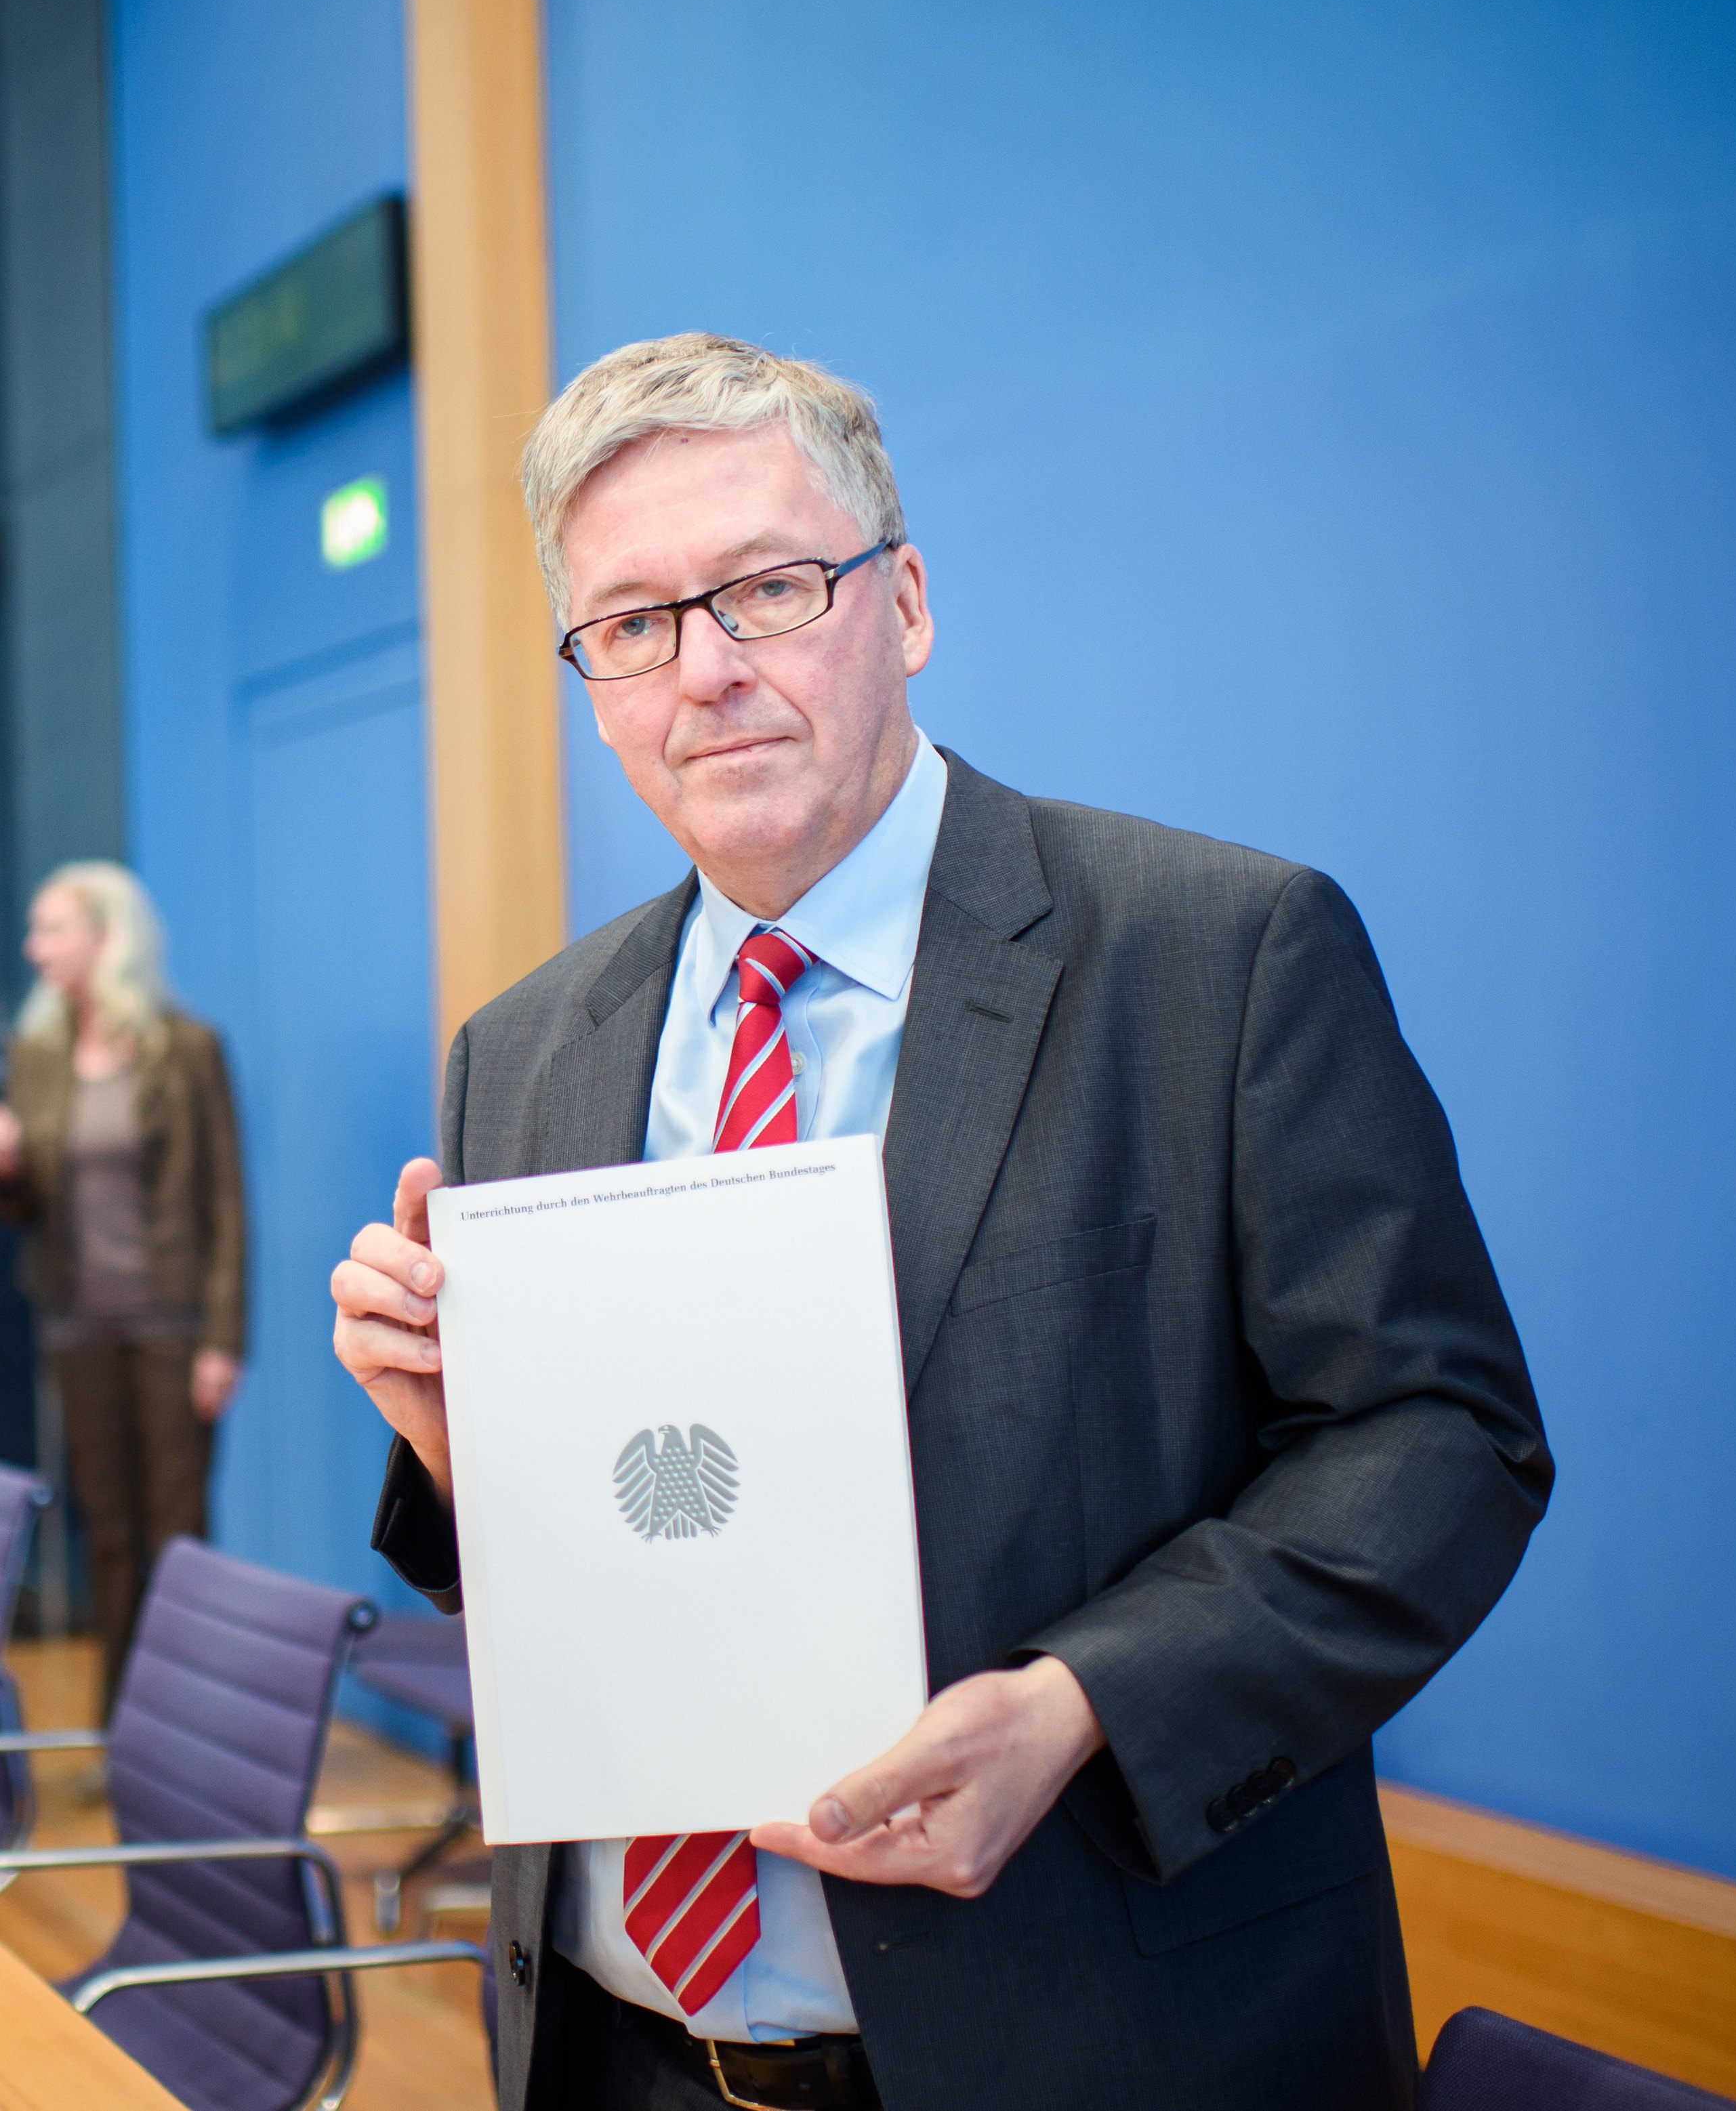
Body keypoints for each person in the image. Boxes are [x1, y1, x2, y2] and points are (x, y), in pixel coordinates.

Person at [328, 334, 1551, 2111]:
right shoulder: (515, 1051)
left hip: (1086, 2043)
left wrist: (1077, 1706)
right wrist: (466, 1449)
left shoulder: (1212, 954)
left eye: (766, 587)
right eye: (632, 623)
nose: (706, 671)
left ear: (900, 600)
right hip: (609, 2052)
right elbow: (631, 1535)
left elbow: (1438, 1439)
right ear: (585, 676)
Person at [0, 862, 246, 1694]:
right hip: (75, 1320)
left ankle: (189, 1723)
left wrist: (223, 1339)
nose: (35, 946)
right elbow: (21, 1207)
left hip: (173, 1324)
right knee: (111, 1534)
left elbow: (226, 1200)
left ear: (106, 935)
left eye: (52, 927)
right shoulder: (36, 1055)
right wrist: (0, 1168)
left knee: (179, 1533)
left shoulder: (186, 1047)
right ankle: (121, 1726)